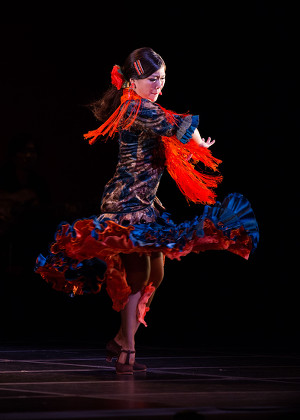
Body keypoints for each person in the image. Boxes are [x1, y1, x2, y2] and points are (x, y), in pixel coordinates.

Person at [35, 47, 259, 375]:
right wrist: (196, 143)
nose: (159, 86)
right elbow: (179, 124)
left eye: (163, 79)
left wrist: (192, 144)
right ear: (132, 81)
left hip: (144, 204)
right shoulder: (135, 108)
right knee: (138, 275)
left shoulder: (143, 106)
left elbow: (172, 129)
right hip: (125, 203)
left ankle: (120, 339)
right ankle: (127, 346)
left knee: (157, 274)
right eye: (152, 79)